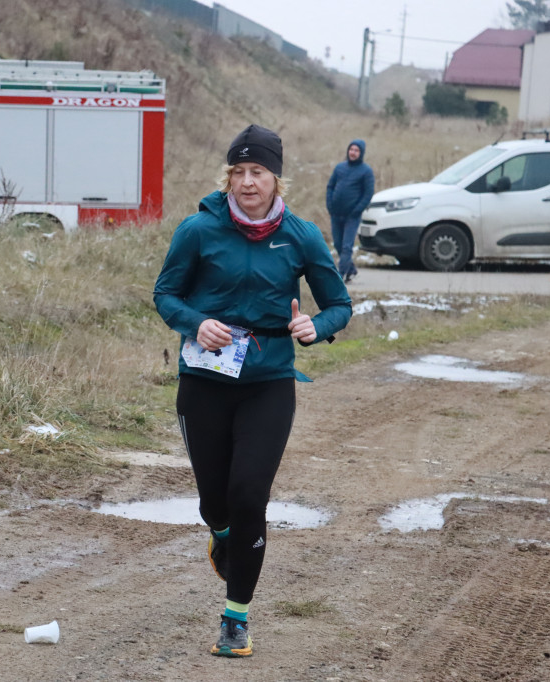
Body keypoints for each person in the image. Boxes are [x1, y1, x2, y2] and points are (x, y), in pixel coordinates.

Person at [153, 124, 352, 658]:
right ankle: (222, 534)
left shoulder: (303, 236)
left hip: (268, 383)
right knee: (214, 503)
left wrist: (317, 325)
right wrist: (195, 323)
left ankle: (235, 619)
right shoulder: (198, 230)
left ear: (275, 179)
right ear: (228, 177)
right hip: (204, 381)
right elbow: (165, 292)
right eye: (238, 172)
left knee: (249, 497)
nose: (247, 182)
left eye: (257, 172)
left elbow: (339, 304)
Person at [325, 139, 375, 283]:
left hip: (352, 216)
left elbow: (368, 194)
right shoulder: (340, 168)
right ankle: (351, 270)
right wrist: (330, 205)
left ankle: (339, 277)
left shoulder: (366, 171)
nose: (353, 152)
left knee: (347, 246)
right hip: (336, 214)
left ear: (361, 153)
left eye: (356, 150)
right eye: (351, 149)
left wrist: (357, 210)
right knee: (338, 245)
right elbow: (330, 186)